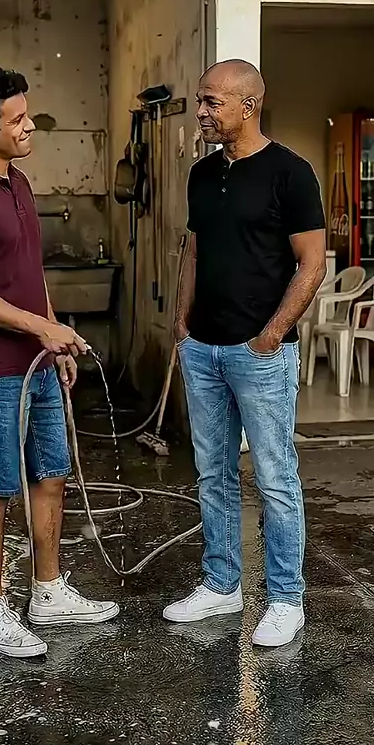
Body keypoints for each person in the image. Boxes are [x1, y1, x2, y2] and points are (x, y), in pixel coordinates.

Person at [0, 66, 119, 659]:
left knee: (50, 474)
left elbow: (29, 276)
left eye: (26, 113)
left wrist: (53, 338)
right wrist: (41, 328)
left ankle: (48, 592)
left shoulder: (17, 182)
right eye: (16, 120)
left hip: (36, 362)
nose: (29, 125)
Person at [163, 59, 326, 647]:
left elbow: (312, 263)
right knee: (213, 473)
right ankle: (221, 584)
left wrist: (272, 335)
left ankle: (285, 599)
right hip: (203, 350)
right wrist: (182, 321)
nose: (201, 112)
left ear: (248, 104)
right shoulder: (203, 174)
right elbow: (195, 249)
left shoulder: (291, 174)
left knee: (275, 477)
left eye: (212, 102)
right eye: (200, 100)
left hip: (260, 354)